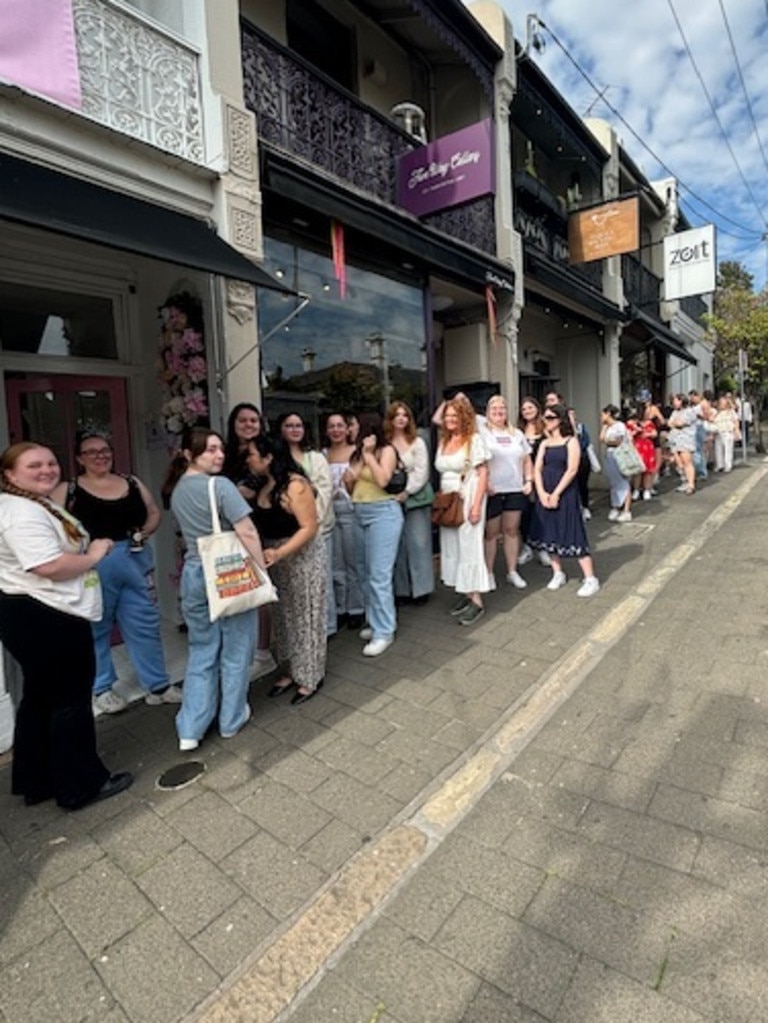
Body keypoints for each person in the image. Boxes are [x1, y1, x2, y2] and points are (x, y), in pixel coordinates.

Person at [0, 442, 133, 809]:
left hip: (33, 612)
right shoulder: (22, 513)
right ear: (10, 475)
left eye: (50, 463)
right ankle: (80, 786)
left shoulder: (27, 504)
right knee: (69, 700)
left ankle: (37, 780)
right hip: (47, 614)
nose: (46, 470)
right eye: (34, 466)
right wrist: (93, 555)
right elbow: (48, 566)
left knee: (40, 697)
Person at [52, 432, 174, 716]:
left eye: (105, 450)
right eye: (91, 452)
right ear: (80, 458)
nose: (100, 456)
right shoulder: (68, 490)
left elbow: (153, 512)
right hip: (93, 567)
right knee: (96, 628)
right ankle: (101, 689)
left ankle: (158, 686)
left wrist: (144, 533)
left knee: (144, 623)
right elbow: (50, 527)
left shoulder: (131, 482)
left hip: (134, 562)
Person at [165, 427, 267, 751]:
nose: (219, 455)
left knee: (202, 649)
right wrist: (262, 572)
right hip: (226, 570)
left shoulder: (177, 488)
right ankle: (231, 719)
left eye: (220, 448)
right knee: (237, 648)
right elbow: (247, 532)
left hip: (193, 572)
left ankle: (190, 728)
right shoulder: (219, 485)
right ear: (188, 453)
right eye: (210, 449)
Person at [247, 434, 327, 703]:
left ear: (268, 457)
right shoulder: (263, 484)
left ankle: (310, 676)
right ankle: (291, 670)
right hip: (276, 561)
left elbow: (309, 527)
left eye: (252, 455)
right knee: (284, 617)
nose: (248, 460)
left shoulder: (295, 485)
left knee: (306, 617)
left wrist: (280, 552)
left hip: (300, 557)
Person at [222, 402, 274, 675]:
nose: (249, 425)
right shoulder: (224, 453)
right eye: (243, 420)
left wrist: (230, 492)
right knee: (236, 588)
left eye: (254, 420)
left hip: (257, 526)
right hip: (227, 530)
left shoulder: (265, 451)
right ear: (233, 423)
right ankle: (241, 651)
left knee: (260, 589)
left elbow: (250, 493)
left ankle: (264, 653)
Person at [345, 412, 403, 655]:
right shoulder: (356, 454)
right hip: (359, 512)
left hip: (383, 513)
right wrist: (359, 460)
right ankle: (376, 619)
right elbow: (348, 483)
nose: (351, 429)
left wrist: (369, 455)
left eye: (353, 424)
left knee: (379, 575)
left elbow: (382, 480)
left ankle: (384, 631)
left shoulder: (386, 450)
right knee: (363, 571)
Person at [433, 396, 494, 625]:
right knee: (453, 546)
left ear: (463, 417)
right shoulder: (444, 441)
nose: (449, 419)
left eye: (454, 416)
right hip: (449, 499)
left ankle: (477, 601)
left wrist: (477, 505)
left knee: (469, 546)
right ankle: (465, 592)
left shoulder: (474, 440)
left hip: (468, 496)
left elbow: (483, 473)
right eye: (447, 416)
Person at [528, 405, 599, 597]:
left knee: (572, 529)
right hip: (546, 490)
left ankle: (590, 578)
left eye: (551, 417)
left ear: (560, 419)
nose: (547, 420)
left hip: (565, 492)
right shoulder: (544, 443)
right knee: (549, 531)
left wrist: (557, 493)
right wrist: (542, 493)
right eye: (546, 417)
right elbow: (537, 469)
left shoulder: (571, 441)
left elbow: (572, 469)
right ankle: (557, 572)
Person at [277, 412, 336, 638]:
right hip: (287, 531)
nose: (294, 429)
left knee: (322, 579)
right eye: (289, 425)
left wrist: (311, 520)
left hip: (317, 527)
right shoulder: (278, 458)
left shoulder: (316, 458)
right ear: (281, 429)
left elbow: (325, 490)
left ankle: (327, 626)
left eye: (298, 425)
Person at [477, 395, 533, 588]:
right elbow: (479, 460)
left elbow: (527, 459)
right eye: (494, 409)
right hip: (493, 490)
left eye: (502, 408)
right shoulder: (482, 433)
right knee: (491, 533)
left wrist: (529, 480)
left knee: (511, 530)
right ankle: (489, 572)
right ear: (487, 412)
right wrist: (485, 484)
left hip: (514, 489)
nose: (498, 412)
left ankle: (512, 571)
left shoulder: (517, 434)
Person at [385, 401, 435, 606]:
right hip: (390, 500)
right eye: (397, 415)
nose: (401, 418)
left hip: (415, 499)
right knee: (398, 546)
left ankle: (422, 590)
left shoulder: (417, 441)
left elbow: (422, 472)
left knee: (419, 543)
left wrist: (407, 492)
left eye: (405, 415)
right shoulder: (385, 443)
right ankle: (402, 590)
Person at [324, 412, 365, 631]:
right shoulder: (323, 455)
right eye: (332, 426)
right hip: (330, 513)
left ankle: (356, 607)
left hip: (351, 510)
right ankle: (340, 608)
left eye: (340, 425)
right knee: (335, 564)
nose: (336, 430)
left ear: (347, 429)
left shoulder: (356, 453)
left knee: (353, 561)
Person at [517, 396, 550, 568]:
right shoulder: (517, 430)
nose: (527, 411)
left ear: (537, 408)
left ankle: (543, 547)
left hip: (543, 476)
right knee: (525, 513)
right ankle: (527, 546)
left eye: (530, 407)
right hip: (523, 477)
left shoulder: (545, 427)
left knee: (542, 512)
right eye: (524, 409)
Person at [600, 405, 633, 521]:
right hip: (610, 455)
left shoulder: (619, 426)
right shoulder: (608, 427)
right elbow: (601, 438)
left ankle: (626, 510)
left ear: (608, 414)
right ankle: (615, 507)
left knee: (623, 482)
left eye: (603, 414)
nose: (601, 417)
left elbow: (618, 441)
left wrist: (608, 441)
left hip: (620, 456)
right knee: (614, 482)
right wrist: (604, 427)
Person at [667, 393, 697, 495]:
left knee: (687, 462)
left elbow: (680, 423)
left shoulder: (689, 411)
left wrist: (675, 423)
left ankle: (691, 484)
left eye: (675, 400)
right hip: (676, 441)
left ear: (681, 401)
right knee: (679, 464)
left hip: (685, 440)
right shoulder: (675, 412)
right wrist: (675, 423)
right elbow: (670, 423)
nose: (673, 403)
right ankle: (684, 481)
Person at [713, 394, 741, 473]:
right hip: (718, 433)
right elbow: (712, 420)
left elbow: (736, 421)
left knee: (728, 450)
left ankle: (728, 466)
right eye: (720, 403)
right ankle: (720, 465)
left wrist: (736, 430)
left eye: (723, 403)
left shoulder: (731, 412)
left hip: (728, 432)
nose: (722, 404)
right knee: (718, 449)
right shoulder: (717, 412)